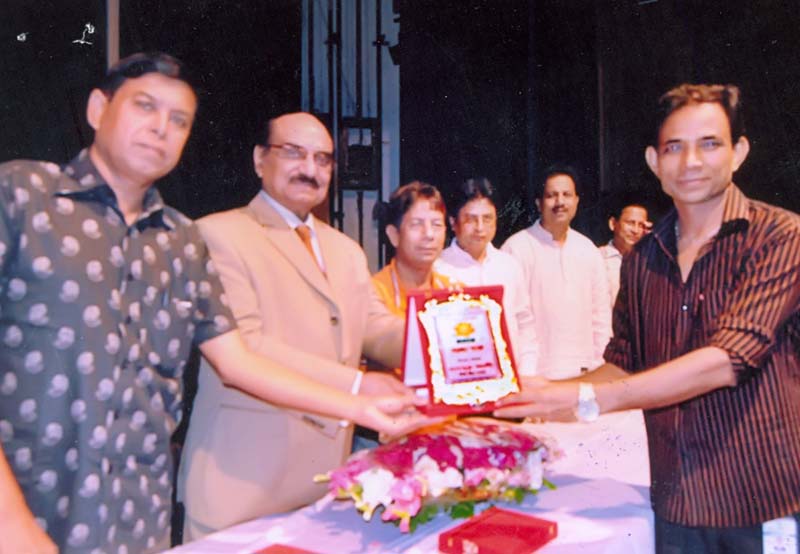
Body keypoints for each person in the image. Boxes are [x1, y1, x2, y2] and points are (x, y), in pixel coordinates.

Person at [0, 53, 431, 554]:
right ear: (99, 109)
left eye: (178, 120)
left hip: (139, 514)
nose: (161, 128)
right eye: (145, 106)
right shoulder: (23, 195)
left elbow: (238, 360)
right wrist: (12, 524)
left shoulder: (179, 240)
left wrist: (367, 406)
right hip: (28, 500)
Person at [495, 84, 800, 553]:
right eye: (674, 147)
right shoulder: (643, 259)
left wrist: (583, 399)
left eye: (710, 143)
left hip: (760, 504)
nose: (691, 161)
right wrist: (537, 394)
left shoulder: (781, 237)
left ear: (738, 152)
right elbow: (623, 362)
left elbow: (726, 360)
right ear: (655, 162)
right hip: (674, 506)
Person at [178, 112, 417, 541]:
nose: (310, 169)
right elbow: (248, 348)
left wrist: (441, 342)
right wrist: (358, 386)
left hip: (324, 487)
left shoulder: (345, 250)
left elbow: (374, 328)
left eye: (323, 159)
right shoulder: (217, 235)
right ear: (258, 159)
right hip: (241, 487)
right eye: (293, 153)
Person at [501, 165, 611, 379]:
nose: (560, 202)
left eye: (567, 195)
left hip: (584, 373)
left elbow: (601, 316)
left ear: (577, 201)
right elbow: (509, 319)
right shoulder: (516, 249)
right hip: (535, 375)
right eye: (552, 195)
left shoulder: (588, 249)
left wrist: (599, 365)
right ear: (539, 203)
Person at [435, 177, 538, 375]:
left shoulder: (509, 265)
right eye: (471, 219)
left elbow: (525, 324)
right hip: (459, 378)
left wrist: (526, 372)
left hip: (511, 379)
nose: (480, 228)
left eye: (487, 218)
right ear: (453, 222)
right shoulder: (438, 269)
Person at [371, 181, 454, 316]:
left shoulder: (454, 292)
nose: (429, 234)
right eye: (416, 224)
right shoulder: (375, 294)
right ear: (394, 235)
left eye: (437, 224)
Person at [599, 201, 651, 308]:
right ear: (613, 224)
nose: (635, 230)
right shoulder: (597, 258)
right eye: (630, 223)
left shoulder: (650, 263)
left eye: (641, 225)